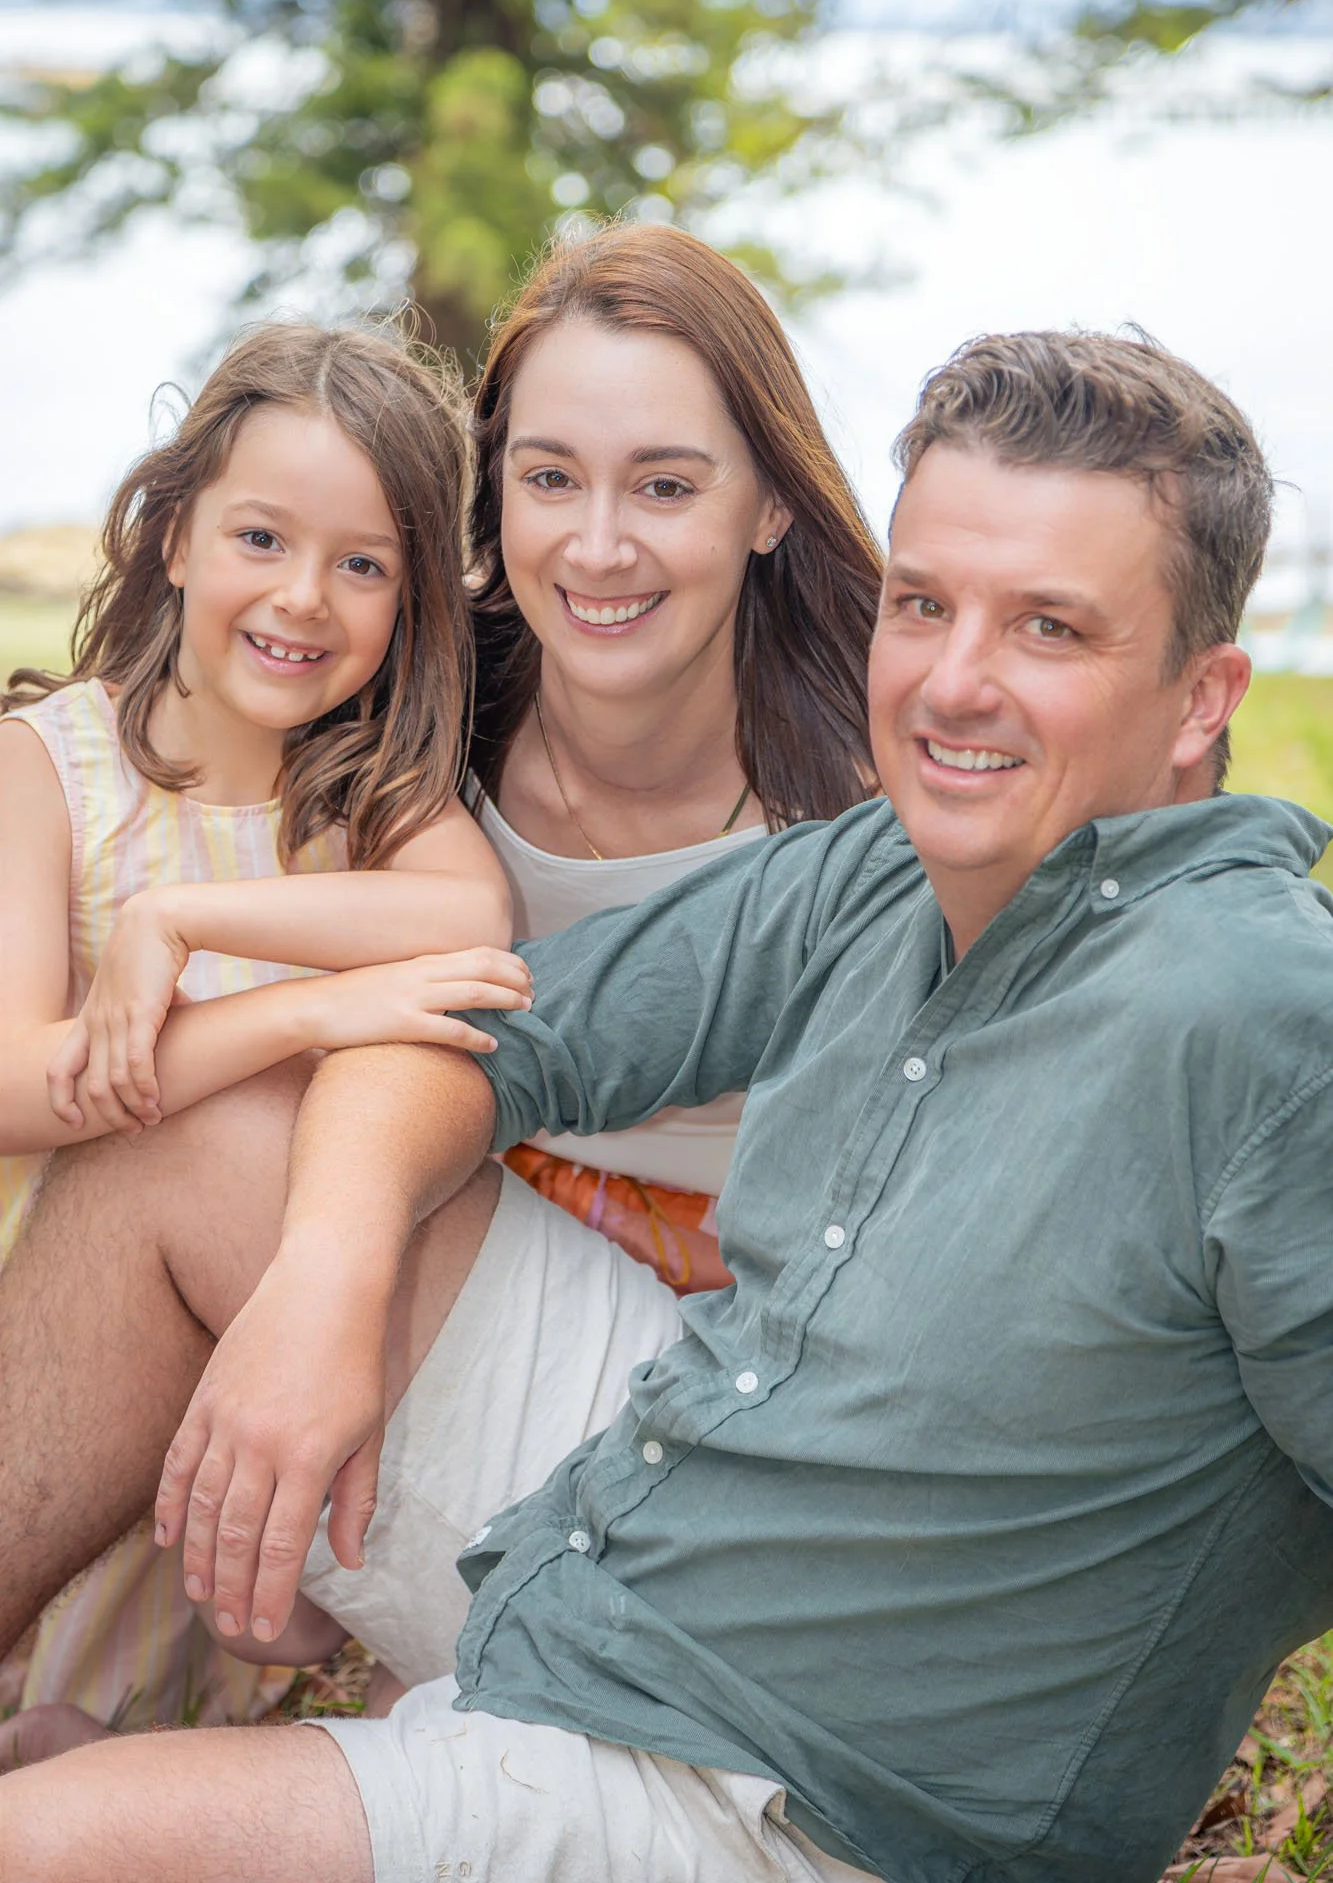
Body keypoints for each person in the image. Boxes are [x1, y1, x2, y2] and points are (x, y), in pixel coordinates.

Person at [3, 326, 1330, 1883]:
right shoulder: (881, 868)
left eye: (1048, 627)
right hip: (637, 1511)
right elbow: (485, 1029)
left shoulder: (1263, 1019)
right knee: (215, 1142)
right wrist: (332, 1269)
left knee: (44, 1845)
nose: (953, 682)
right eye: (923, 604)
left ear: (1200, 698)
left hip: (789, 1791)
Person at [0, 322, 528, 1739]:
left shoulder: (369, 800)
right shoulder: (50, 769)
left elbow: (469, 919)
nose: (304, 597)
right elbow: (20, 1084)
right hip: (40, 1361)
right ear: (172, 537)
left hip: (213, 1445)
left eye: (363, 564)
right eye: (259, 537)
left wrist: (181, 938)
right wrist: (297, 1008)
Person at [463, 221, 881, 1293]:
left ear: (772, 503)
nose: (597, 548)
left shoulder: (877, 789)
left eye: (664, 488)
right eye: (550, 477)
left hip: (761, 1322)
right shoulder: (423, 710)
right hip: (466, 1243)